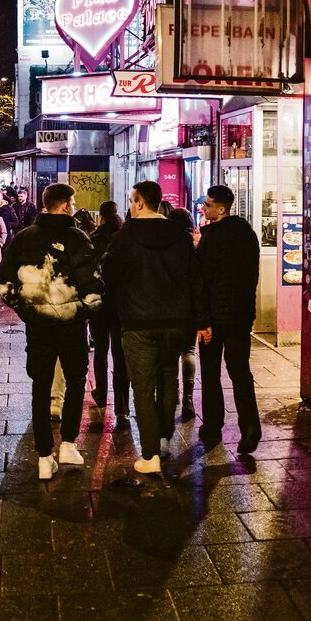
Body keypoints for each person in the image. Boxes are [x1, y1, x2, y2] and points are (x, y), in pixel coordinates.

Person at [0, 183, 103, 480]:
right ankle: (68, 444)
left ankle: (44, 455)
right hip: (71, 326)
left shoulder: (24, 237)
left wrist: (27, 309)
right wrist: (81, 310)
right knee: (76, 379)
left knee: (41, 386)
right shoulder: (78, 238)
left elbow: (4, 282)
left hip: (38, 326)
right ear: (67, 205)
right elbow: (93, 286)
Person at [101, 181, 200, 475]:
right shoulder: (181, 237)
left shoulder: (125, 237)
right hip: (174, 324)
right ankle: (164, 438)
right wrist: (199, 319)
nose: (130, 205)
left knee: (143, 387)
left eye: (132, 200)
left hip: (138, 323)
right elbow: (194, 279)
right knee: (169, 378)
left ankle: (150, 454)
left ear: (141, 202)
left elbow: (107, 274)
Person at [195, 184, 262, 454]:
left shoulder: (211, 239)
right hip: (240, 317)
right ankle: (250, 426)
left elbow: (201, 281)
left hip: (214, 319)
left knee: (210, 374)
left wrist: (202, 319)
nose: (203, 207)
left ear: (221, 209)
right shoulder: (247, 234)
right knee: (240, 372)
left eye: (208, 204)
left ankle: (213, 427)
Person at [89, 201, 130, 425]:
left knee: (101, 351)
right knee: (120, 355)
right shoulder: (124, 239)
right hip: (121, 304)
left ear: (101, 217)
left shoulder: (93, 240)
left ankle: (102, 395)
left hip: (99, 303)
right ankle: (122, 406)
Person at [168, 206, 199, 420]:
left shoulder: (166, 245)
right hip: (189, 308)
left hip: (168, 309)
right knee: (188, 351)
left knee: (169, 355)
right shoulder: (195, 246)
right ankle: (188, 398)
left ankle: (174, 395)